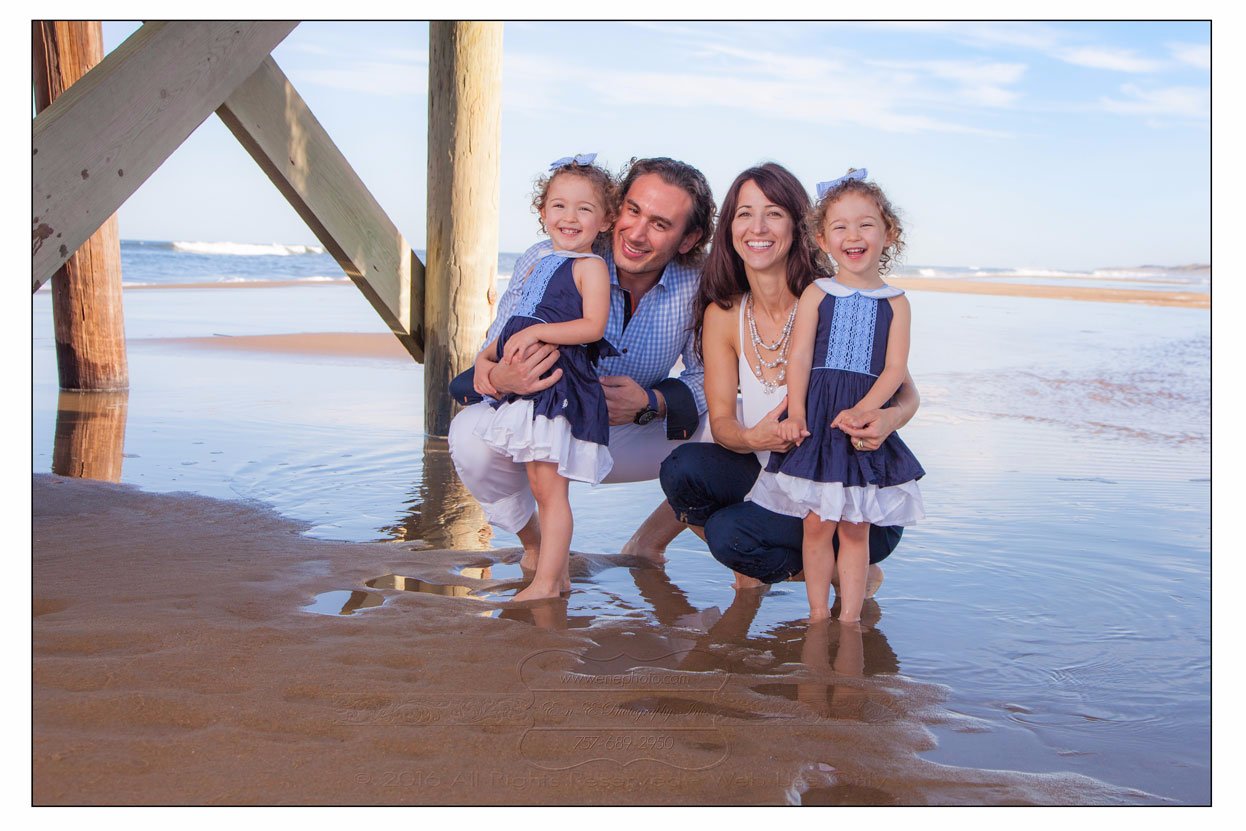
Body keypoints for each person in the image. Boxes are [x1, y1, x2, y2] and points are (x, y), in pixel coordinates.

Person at [448, 157, 717, 578]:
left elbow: (707, 377)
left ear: (688, 239)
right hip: (552, 420)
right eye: (633, 211)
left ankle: (649, 542)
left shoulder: (699, 282)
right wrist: (499, 376)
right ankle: (537, 547)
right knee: (468, 436)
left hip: (630, 430)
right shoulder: (550, 257)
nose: (637, 233)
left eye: (661, 224)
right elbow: (495, 344)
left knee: (734, 429)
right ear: (616, 210)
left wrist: (651, 402)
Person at [659, 163, 920, 593]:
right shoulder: (724, 315)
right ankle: (805, 569)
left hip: (851, 492)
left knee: (736, 533)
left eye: (774, 212)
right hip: (775, 480)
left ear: (801, 227)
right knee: (684, 472)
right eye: (744, 213)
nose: (757, 227)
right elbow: (722, 422)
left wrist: (888, 420)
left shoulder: (832, 296)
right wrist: (755, 439)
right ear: (728, 228)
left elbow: (906, 393)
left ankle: (849, 568)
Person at [746, 168, 924, 622]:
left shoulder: (896, 302)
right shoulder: (817, 292)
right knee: (817, 524)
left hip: (860, 420)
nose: (854, 235)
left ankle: (848, 618)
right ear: (823, 240)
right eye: (840, 227)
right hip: (820, 416)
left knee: (856, 527)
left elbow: (895, 369)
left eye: (866, 224)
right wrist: (798, 412)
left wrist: (865, 411)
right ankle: (817, 614)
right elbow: (801, 357)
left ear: (889, 233)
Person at [471, 155, 616, 601]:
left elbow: (592, 327)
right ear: (542, 212)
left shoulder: (589, 266)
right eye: (558, 206)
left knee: (552, 492)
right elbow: (514, 318)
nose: (569, 218)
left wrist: (537, 332)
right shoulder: (538, 261)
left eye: (584, 209)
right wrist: (487, 356)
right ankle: (559, 576)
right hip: (528, 391)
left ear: (606, 219)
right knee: (538, 484)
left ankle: (549, 582)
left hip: (558, 386)